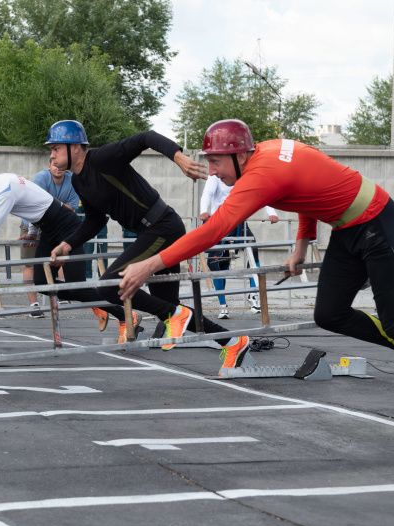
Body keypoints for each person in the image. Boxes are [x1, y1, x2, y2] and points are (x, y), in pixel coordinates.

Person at [119, 119, 394, 427]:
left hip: (379, 220)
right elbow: (308, 186)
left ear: (239, 154)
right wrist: (303, 242)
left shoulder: (258, 176)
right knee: (328, 314)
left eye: (216, 163)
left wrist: (151, 263)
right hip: (347, 228)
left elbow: (213, 231)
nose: (212, 173)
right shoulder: (267, 150)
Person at [45, 120, 249, 371]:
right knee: (171, 308)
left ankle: (177, 317)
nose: (52, 155)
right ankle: (233, 341)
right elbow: (96, 220)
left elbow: (145, 137)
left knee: (110, 285)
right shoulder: (78, 182)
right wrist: (68, 244)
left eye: (55, 148)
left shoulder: (102, 159)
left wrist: (178, 157)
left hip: (162, 227)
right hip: (152, 232)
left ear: (74, 147)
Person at [0, 158, 139, 343]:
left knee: (77, 286)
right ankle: (98, 305)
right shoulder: (4, 181)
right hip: (48, 228)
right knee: (42, 283)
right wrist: (32, 232)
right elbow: (33, 202)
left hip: (67, 227)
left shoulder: (4, 189)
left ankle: (126, 316)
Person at [199, 174, 279, 317]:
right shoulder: (216, 174)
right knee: (216, 262)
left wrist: (271, 212)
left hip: (239, 221)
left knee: (253, 250)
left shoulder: (243, 173)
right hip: (219, 221)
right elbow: (208, 193)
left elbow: (260, 192)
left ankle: (253, 295)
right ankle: (222, 305)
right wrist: (203, 210)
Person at [19, 161, 81, 319]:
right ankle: (34, 305)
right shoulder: (41, 178)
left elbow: (72, 208)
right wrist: (57, 209)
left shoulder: (72, 180)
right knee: (31, 263)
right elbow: (34, 205)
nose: (58, 168)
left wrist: (53, 209)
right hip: (32, 223)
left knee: (59, 257)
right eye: (54, 165)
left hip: (56, 225)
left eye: (61, 165)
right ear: (48, 166)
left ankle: (58, 296)